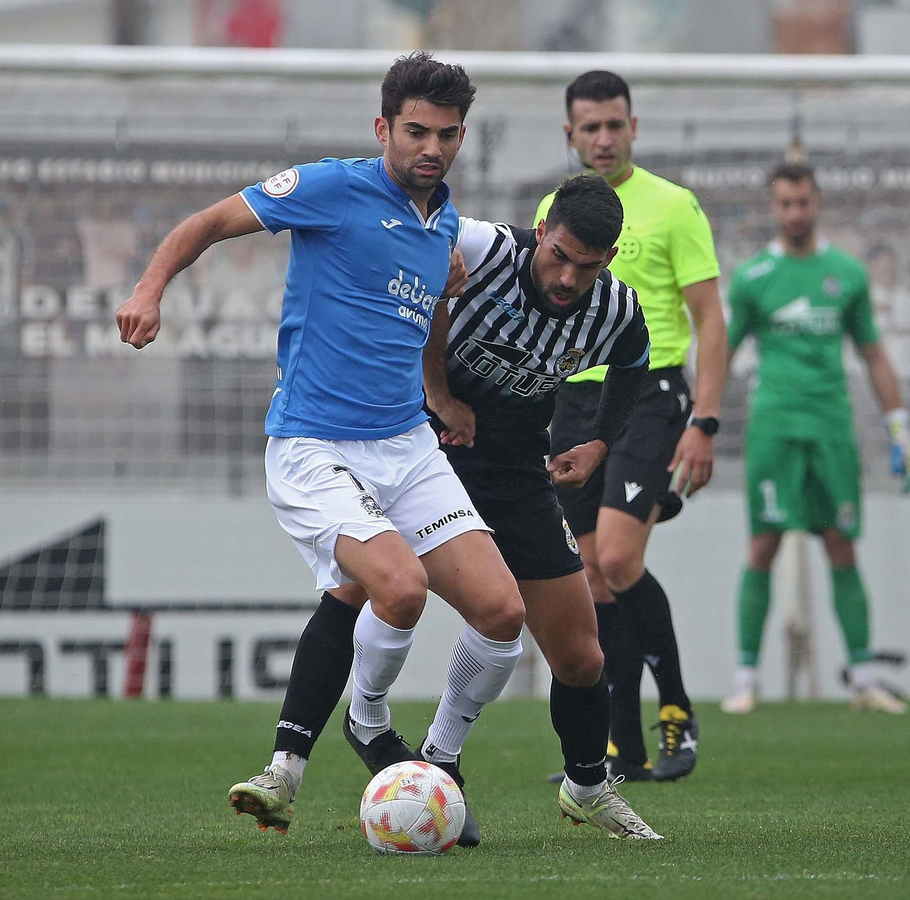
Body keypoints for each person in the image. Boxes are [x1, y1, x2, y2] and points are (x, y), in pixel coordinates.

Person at [116, 53, 523, 842]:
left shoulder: (442, 224)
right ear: (383, 129)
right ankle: (365, 724)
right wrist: (148, 289)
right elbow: (208, 223)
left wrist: (440, 393)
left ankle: (435, 763)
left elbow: (429, 308)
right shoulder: (332, 188)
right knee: (398, 587)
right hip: (315, 444)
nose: (431, 148)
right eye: (415, 132)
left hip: (408, 444)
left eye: (446, 135)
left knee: (503, 613)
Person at [422, 173, 661, 838]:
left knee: (583, 657)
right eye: (558, 256)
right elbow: (418, 235)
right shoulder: (484, 248)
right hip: (424, 456)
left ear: (609, 258)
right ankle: (405, 753)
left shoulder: (614, 307)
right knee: (400, 598)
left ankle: (586, 786)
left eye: (587, 266)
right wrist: (438, 392)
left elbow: (634, 363)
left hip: (516, 472)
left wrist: (600, 442)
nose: (567, 278)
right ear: (541, 232)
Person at [537, 70, 728, 782]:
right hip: (571, 402)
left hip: (649, 395)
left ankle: (675, 708)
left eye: (615, 124)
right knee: (589, 576)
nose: (604, 138)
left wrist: (705, 420)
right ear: (570, 134)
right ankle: (622, 749)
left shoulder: (674, 206)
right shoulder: (554, 210)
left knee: (617, 559)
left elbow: (711, 320)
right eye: (590, 127)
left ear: (634, 127)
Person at [718, 163, 910, 716]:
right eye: (785, 203)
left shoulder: (846, 274)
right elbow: (723, 352)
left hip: (831, 427)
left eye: (802, 202)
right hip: (774, 427)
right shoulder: (754, 277)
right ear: (773, 208)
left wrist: (900, 426)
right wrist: (698, 420)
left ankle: (864, 681)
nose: (794, 213)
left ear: (818, 202)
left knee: (841, 544)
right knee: (763, 545)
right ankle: (745, 681)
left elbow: (873, 353)